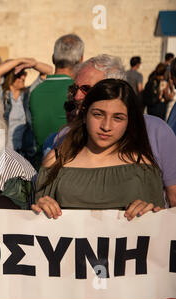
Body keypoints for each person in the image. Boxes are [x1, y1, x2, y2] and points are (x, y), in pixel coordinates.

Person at [33, 79, 164, 221]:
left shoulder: (143, 166)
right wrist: (41, 208)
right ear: (84, 115)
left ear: (129, 121)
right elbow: (36, 225)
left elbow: (159, 233)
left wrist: (150, 213)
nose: (106, 126)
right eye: (98, 114)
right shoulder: (56, 160)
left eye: (118, 118)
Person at [57, 54, 176, 208]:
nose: (77, 96)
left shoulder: (157, 131)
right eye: (75, 88)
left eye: (86, 89)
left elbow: (174, 198)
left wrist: (151, 216)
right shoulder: (65, 137)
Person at [29, 34, 84, 163]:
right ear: (81, 59)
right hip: (68, 163)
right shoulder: (78, 92)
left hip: (40, 163)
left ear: (53, 58)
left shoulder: (35, 91)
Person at [0, 57, 53, 166]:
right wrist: (18, 61)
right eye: (19, 74)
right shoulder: (0, 95)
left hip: (24, 155)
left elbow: (49, 71)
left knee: (24, 183)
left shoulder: (27, 94)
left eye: (25, 74)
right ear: (10, 77)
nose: (23, 77)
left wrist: (33, 64)